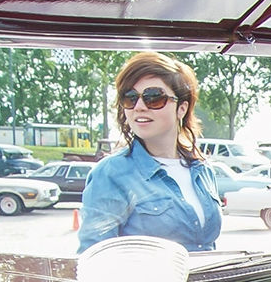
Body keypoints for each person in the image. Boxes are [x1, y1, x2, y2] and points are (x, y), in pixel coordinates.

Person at [78, 51, 222, 253]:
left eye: (153, 98)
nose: (139, 107)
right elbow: (94, 256)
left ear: (181, 108)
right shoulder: (111, 173)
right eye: (130, 98)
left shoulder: (202, 169)